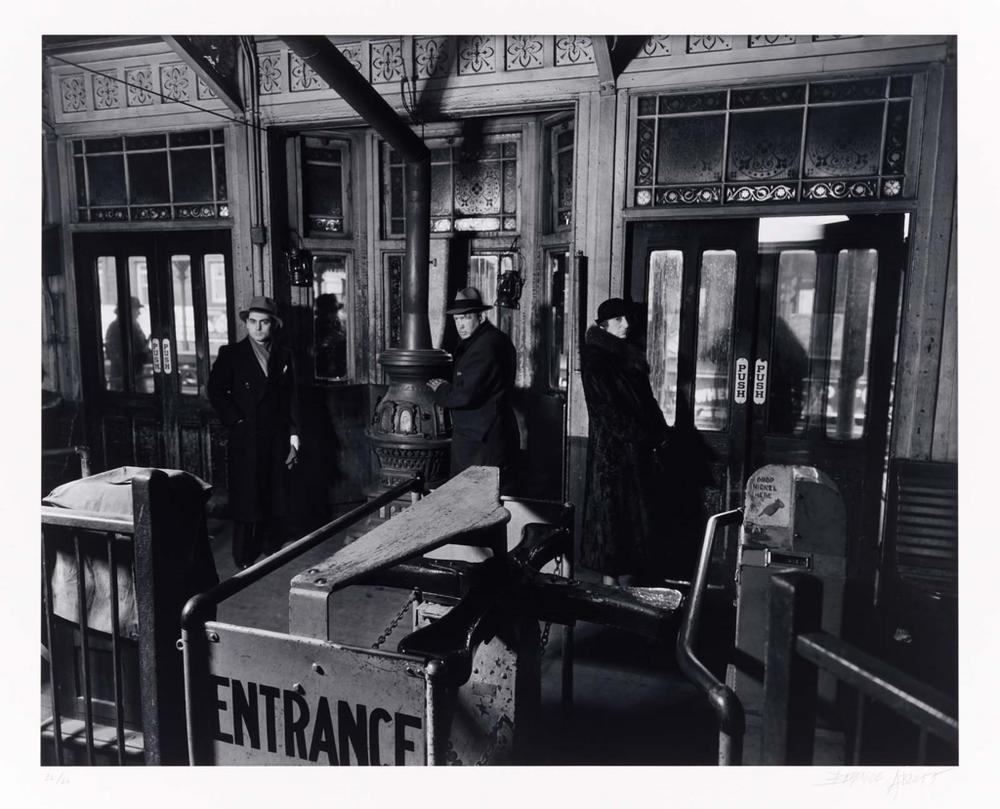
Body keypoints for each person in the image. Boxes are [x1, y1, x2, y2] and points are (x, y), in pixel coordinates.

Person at [580, 297, 674, 586]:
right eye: (619, 320)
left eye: (626, 318)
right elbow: (606, 412)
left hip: (635, 453)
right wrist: (641, 437)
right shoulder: (597, 360)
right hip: (613, 456)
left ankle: (628, 591)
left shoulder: (628, 356)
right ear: (604, 325)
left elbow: (647, 403)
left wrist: (658, 432)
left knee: (631, 526)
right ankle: (611, 590)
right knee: (613, 524)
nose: (626, 324)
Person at [208, 296, 300, 569]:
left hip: (276, 435)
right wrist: (236, 421)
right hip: (246, 436)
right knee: (246, 496)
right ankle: (242, 554)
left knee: (273, 491)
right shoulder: (231, 354)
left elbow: (292, 398)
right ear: (246, 324)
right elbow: (215, 391)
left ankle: (271, 546)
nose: (258, 328)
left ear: (274, 325)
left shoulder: (285, 355)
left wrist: (294, 436)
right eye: (252, 322)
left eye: (264, 322)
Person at [427, 287, 519, 487]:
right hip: (487, 435)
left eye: (466, 318)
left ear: (480, 316)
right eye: (457, 320)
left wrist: (441, 390)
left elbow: (465, 395)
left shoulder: (484, 346)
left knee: (473, 499)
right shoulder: (492, 339)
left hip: (482, 440)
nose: (460, 325)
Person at [105, 296, 151, 390]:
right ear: (128, 311)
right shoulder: (130, 327)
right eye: (136, 309)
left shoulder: (114, 327)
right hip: (131, 377)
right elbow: (140, 350)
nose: (139, 313)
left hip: (124, 377)